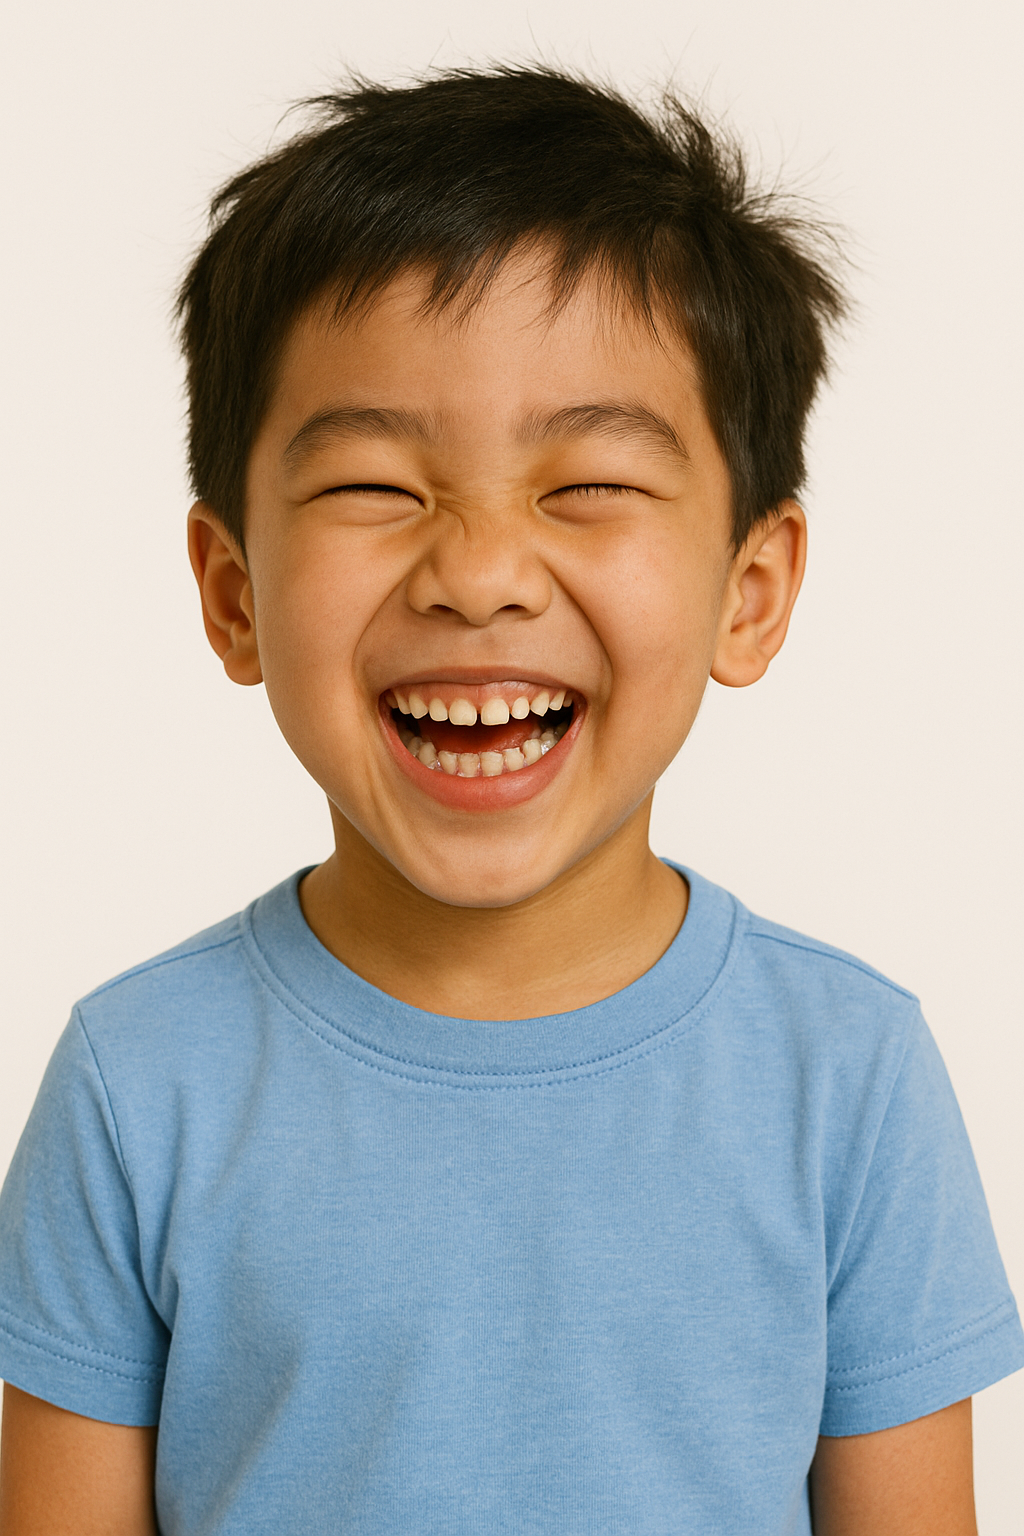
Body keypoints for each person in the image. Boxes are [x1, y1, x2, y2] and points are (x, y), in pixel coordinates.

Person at [0, 66, 1019, 1536]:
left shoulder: (848, 1079)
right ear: (232, 595)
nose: (477, 571)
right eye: (374, 487)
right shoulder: (135, 1085)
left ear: (752, 590)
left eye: (588, 482)